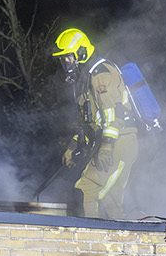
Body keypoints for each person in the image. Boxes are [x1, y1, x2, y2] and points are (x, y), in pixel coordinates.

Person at [52, 28, 140, 218]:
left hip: (119, 141)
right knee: (110, 202)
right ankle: (119, 241)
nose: (65, 63)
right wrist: (72, 147)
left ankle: (87, 242)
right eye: (64, 59)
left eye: (68, 57)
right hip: (114, 140)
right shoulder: (87, 79)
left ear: (82, 53)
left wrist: (106, 146)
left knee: (85, 191)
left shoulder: (100, 74)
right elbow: (89, 123)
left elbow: (113, 115)